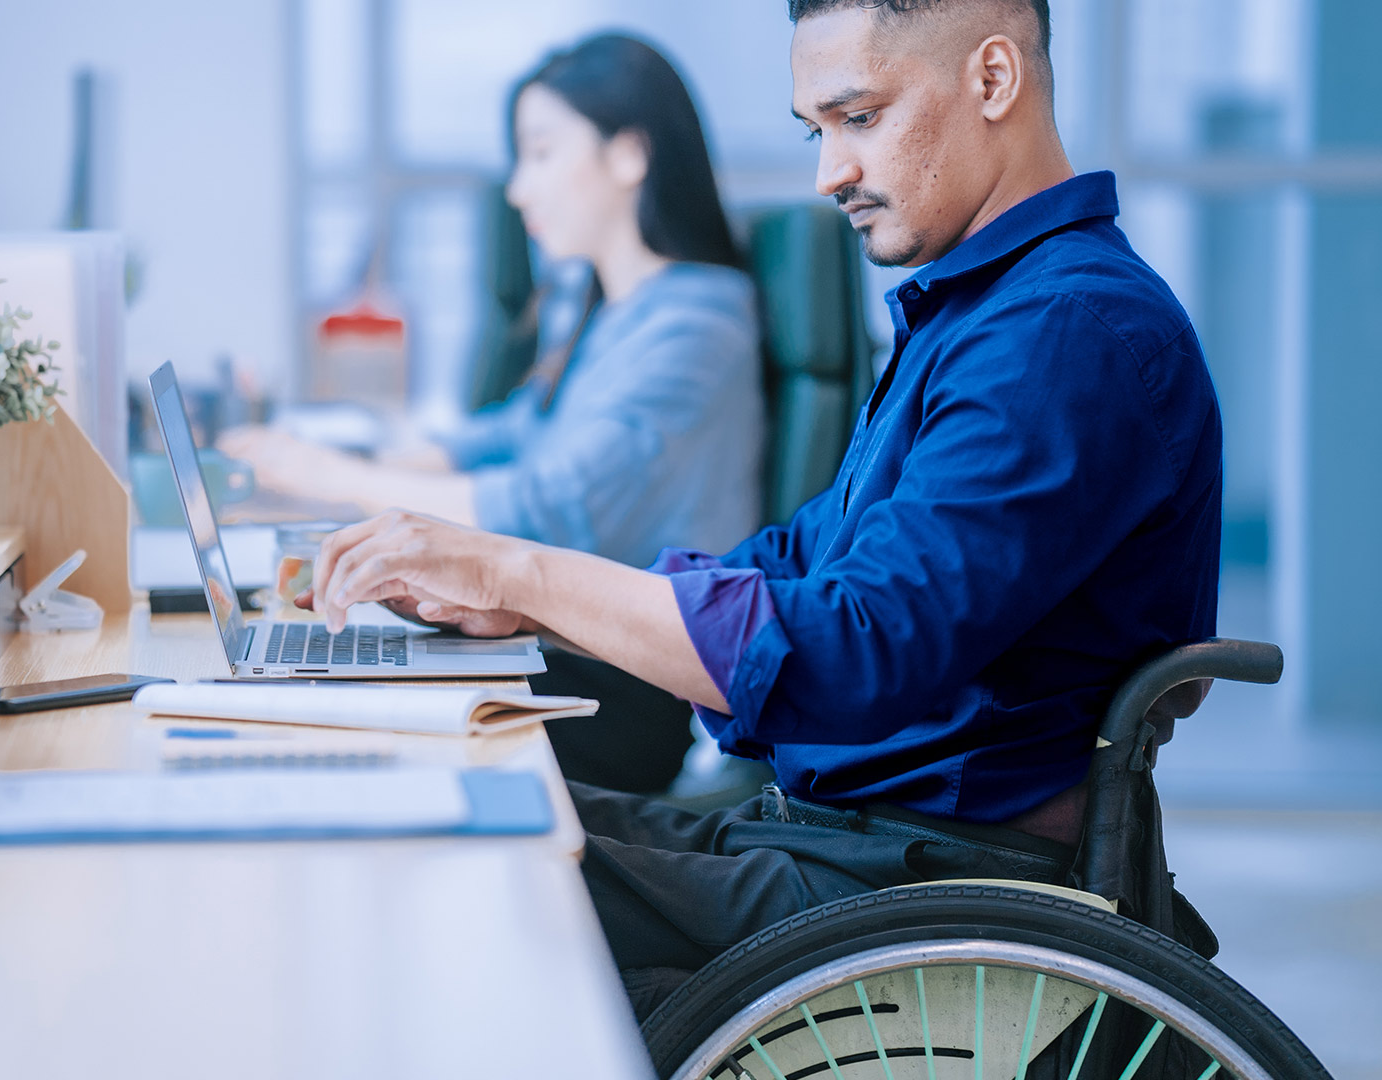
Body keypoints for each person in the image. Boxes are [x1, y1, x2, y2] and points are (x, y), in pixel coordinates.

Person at [297, 0, 1222, 1018]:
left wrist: (521, 573)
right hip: (844, 843)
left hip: (920, 891)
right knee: (445, 813)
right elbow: (800, 559)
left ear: (993, 80)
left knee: (454, 874)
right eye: (816, 130)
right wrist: (528, 607)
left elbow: (856, 649)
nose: (830, 174)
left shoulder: (1062, 335)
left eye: (858, 117)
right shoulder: (982, 313)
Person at [221, 33, 764, 572]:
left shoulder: (699, 324)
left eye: (541, 153)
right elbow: (515, 433)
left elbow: (547, 508)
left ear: (627, 156)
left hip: (616, 653)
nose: (518, 190)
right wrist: (329, 470)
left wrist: (338, 479)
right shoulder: (611, 312)